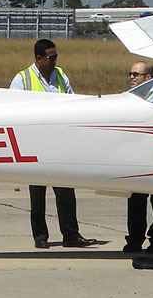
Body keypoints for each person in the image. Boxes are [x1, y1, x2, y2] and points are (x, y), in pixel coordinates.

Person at [10, 39, 97, 249]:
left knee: (66, 192)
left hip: (59, 143)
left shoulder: (60, 75)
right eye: (51, 57)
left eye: (56, 56)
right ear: (38, 58)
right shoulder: (23, 79)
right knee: (37, 196)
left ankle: (71, 235)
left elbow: (72, 100)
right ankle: (40, 237)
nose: (55, 61)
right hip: (35, 144)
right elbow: (11, 109)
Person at [124, 61, 153, 254]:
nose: (132, 77)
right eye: (131, 73)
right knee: (135, 200)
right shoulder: (128, 99)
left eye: (136, 74)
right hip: (138, 157)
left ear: (148, 78)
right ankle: (134, 240)